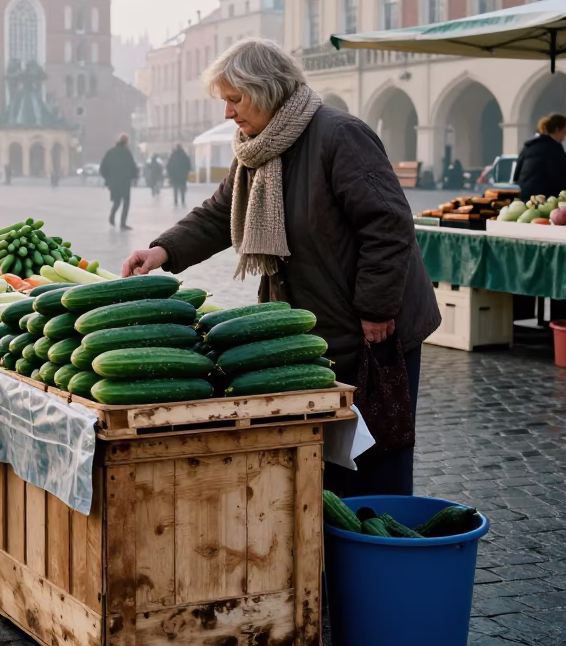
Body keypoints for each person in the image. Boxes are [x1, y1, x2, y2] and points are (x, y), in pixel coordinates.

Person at [122, 38, 440, 497]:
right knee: (329, 456)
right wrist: (163, 251)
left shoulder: (340, 135)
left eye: (235, 99)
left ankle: (378, 537)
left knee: (376, 457)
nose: (228, 112)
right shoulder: (256, 149)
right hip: (315, 326)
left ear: (266, 88)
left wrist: (375, 308)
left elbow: (388, 225)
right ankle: (330, 540)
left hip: (373, 329)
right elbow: (219, 212)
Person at [514, 113, 566, 201]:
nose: (564, 138)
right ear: (557, 129)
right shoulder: (555, 148)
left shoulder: (528, 146)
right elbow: (560, 177)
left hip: (524, 197)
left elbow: (516, 176)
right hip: (543, 199)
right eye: (564, 132)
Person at [99, 133, 138, 230]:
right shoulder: (127, 153)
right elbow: (132, 166)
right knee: (126, 202)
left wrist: (108, 179)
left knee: (117, 201)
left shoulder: (111, 152)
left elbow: (103, 167)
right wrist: (134, 177)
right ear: (126, 142)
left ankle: (112, 217)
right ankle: (122, 223)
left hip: (114, 182)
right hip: (125, 182)